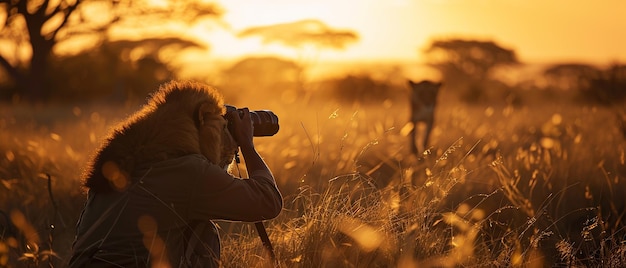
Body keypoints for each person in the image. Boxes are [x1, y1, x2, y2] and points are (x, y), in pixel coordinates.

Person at [68, 81, 283, 267]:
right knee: (202, 230)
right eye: (220, 126)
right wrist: (246, 144)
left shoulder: (119, 162)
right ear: (201, 120)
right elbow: (268, 202)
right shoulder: (186, 171)